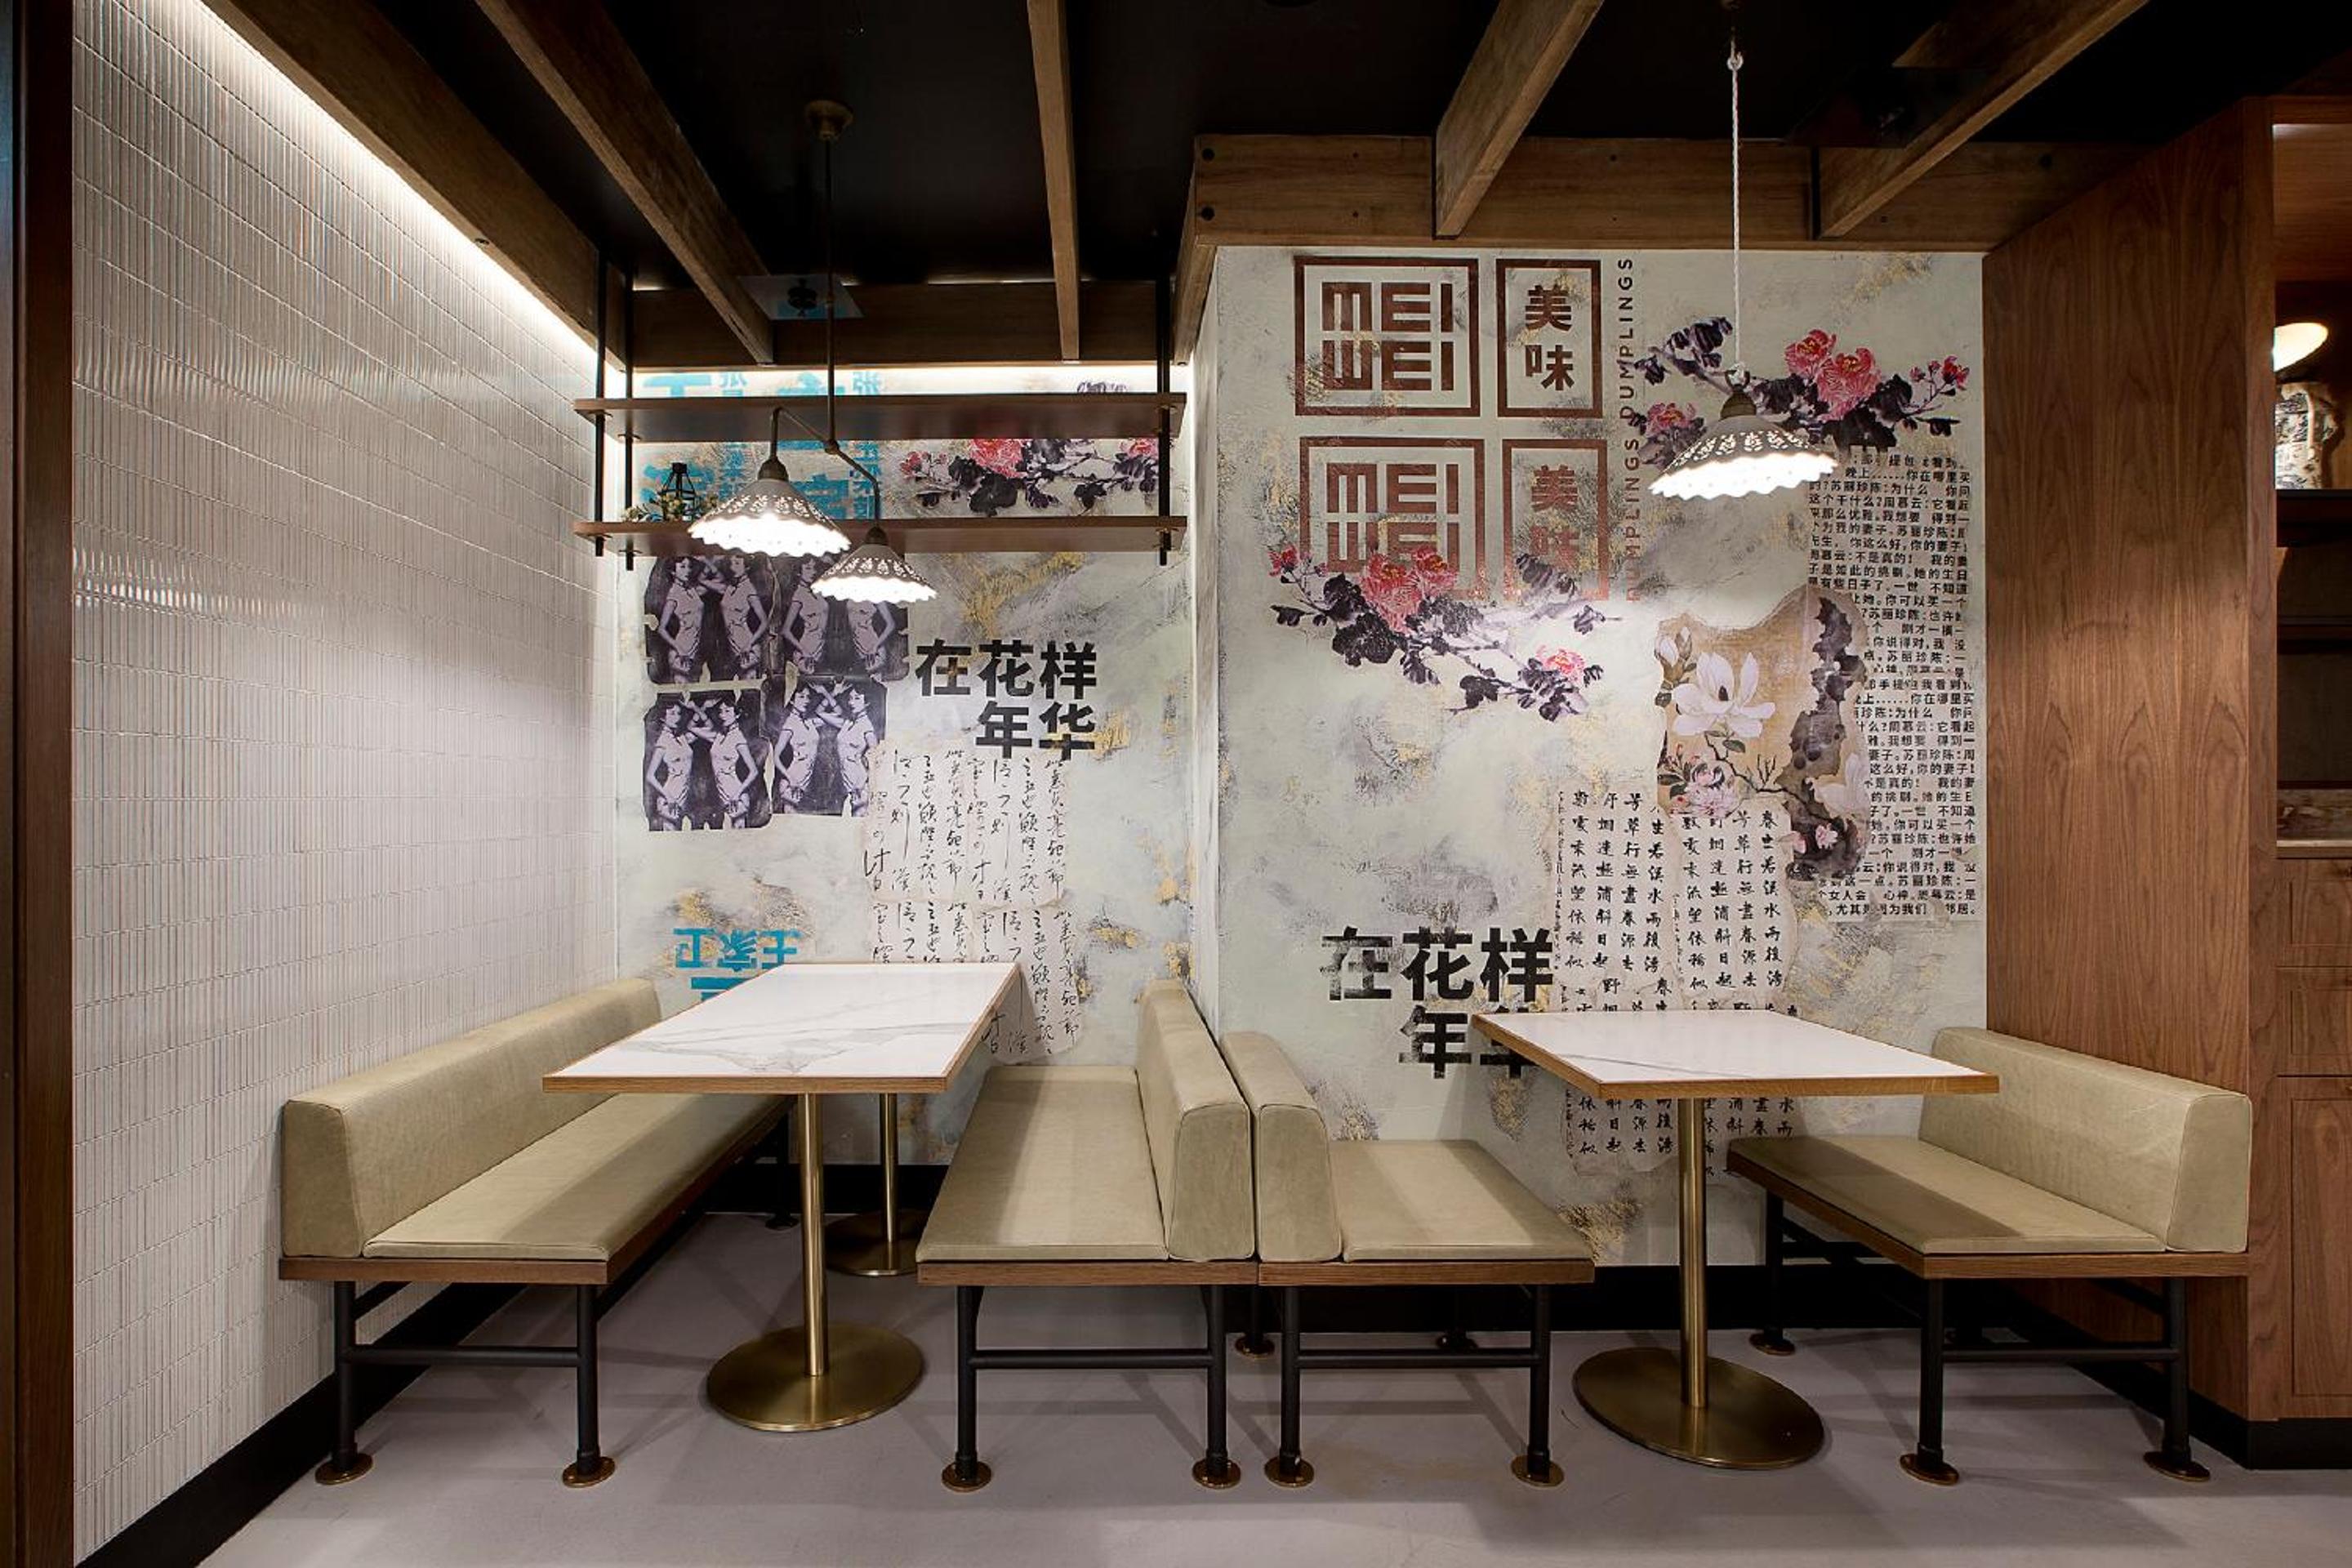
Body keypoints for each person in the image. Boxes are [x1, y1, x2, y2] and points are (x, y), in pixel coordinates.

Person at [644, 699, 695, 829]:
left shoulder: (682, 738)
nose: (677, 717)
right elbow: (650, 776)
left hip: (684, 797)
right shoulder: (663, 742)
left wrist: (696, 708)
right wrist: (669, 797)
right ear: (663, 718)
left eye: (678, 713)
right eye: (672, 714)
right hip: (670, 798)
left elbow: (710, 729)